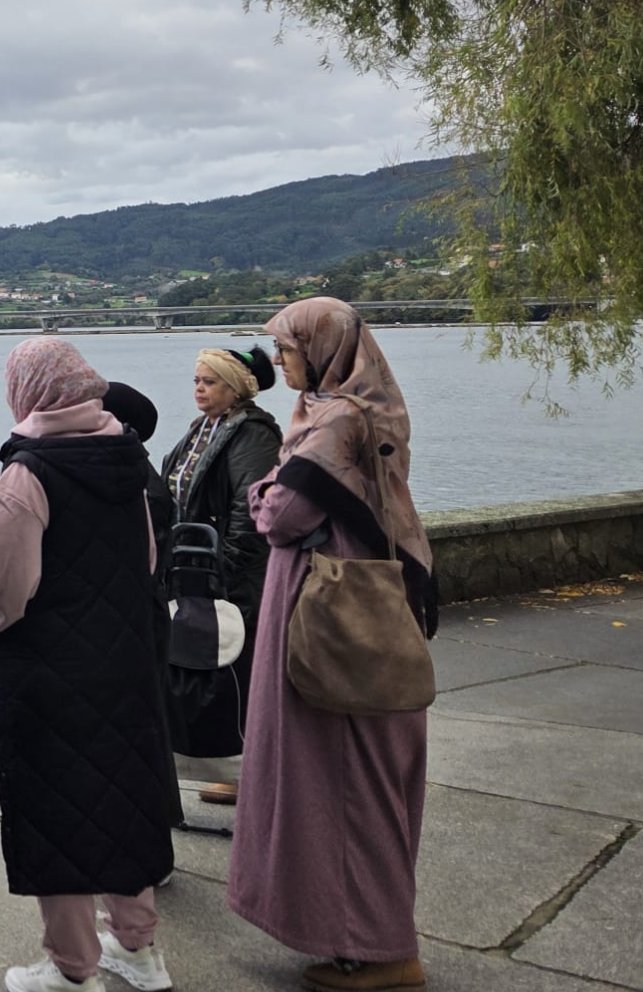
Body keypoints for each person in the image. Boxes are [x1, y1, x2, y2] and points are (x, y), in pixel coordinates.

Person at [227, 297, 435, 992]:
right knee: (349, 777)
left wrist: (261, 491)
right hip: (347, 604)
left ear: (321, 350)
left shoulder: (336, 418)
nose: (279, 360)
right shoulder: (358, 408)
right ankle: (357, 937)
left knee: (343, 781)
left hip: (328, 613)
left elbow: (283, 511)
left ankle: (380, 950)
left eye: (287, 349)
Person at [0, 338, 175, 992]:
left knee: (56, 812)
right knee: (121, 800)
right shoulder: (127, 460)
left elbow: (7, 596)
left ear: (25, 390)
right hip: (124, 664)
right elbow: (143, 562)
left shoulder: (25, 476)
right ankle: (138, 951)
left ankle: (71, 966)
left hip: (47, 678)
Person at [157, 346, 282, 804]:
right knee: (209, 670)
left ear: (236, 387)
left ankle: (246, 773)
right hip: (194, 569)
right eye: (196, 380)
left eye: (209, 382)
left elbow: (250, 512)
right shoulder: (204, 428)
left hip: (227, 578)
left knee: (236, 673)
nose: (199, 389)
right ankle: (231, 768)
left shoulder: (253, 433)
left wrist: (222, 573)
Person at [101, 381, 186, 839]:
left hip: (140, 614)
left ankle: (154, 824)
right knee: (149, 722)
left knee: (144, 724)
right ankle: (160, 817)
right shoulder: (143, 472)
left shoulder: (139, 485)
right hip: (148, 611)